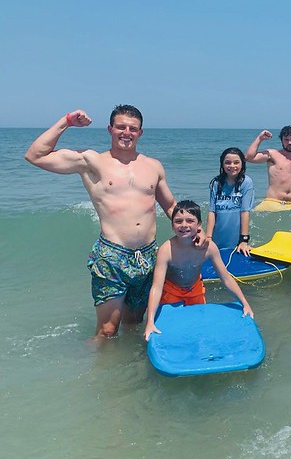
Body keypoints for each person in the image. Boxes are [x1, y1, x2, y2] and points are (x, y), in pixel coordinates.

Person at [24, 105, 181, 338]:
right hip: (111, 257)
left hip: (147, 256)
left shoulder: (153, 166)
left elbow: (170, 205)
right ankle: (96, 371)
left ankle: (127, 372)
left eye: (132, 128)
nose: (126, 132)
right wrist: (66, 121)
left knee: (134, 324)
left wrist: (196, 232)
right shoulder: (91, 161)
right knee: (107, 330)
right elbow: (35, 155)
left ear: (140, 133)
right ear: (110, 129)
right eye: (120, 127)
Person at [143, 201, 254, 341]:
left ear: (199, 225)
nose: (184, 225)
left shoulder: (208, 247)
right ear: (172, 225)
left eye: (190, 221)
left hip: (195, 289)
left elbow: (226, 278)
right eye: (178, 221)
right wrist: (150, 321)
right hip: (171, 291)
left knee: (197, 329)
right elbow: (157, 287)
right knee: (175, 330)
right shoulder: (166, 250)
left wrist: (245, 303)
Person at [245, 125, 291, 211]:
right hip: (272, 202)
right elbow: (249, 157)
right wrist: (260, 138)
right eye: (286, 140)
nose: (290, 142)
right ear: (282, 141)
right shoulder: (272, 154)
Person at [207, 147, 255, 255]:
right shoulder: (216, 183)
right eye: (227, 162)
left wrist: (244, 240)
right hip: (217, 235)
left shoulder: (246, 182)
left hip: (236, 237)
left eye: (236, 162)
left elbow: (245, 211)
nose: (232, 166)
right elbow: (212, 211)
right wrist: (208, 237)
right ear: (222, 164)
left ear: (242, 164)